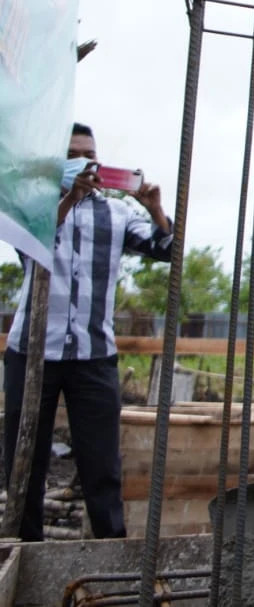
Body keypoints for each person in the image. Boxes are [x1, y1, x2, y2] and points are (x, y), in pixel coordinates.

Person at [4, 122, 172, 541]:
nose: (87, 163)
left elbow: (168, 250)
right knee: (24, 461)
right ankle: (25, 552)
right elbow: (32, 245)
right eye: (75, 156)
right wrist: (68, 199)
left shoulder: (116, 212)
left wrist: (154, 209)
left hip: (94, 355)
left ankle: (109, 558)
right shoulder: (32, 207)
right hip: (32, 353)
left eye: (91, 156)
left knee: (102, 465)